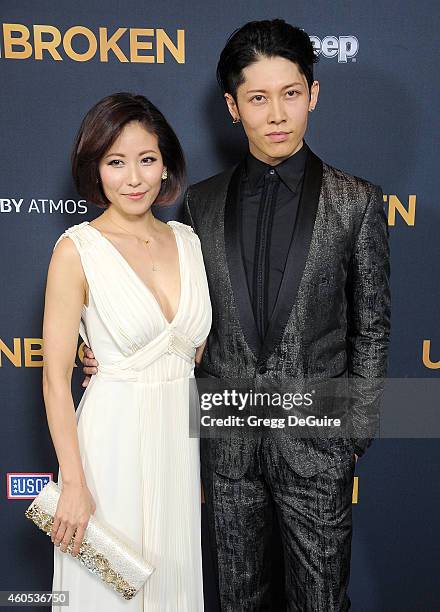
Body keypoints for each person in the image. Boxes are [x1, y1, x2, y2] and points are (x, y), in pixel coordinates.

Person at [83, 19, 390, 612]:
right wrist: (109, 350)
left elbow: (371, 327)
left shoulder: (357, 202)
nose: (276, 113)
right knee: (239, 601)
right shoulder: (201, 201)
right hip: (227, 449)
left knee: (323, 602)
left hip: (318, 446)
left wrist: (353, 438)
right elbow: (178, 314)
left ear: (313, 95)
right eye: (257, 98)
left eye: (290, 94)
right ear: (233, 106)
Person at [43, 92, 211, 611]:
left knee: (171, 588)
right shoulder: (78, 249)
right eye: (116, 162)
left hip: (178, 450)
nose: (133, 178)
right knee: (107, 595)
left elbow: (193, 354)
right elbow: (54, 378)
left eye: (147, 159)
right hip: (106, 452)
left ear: (166, 165)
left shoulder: (188, 241)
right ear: (96, 169)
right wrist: (73, 483)